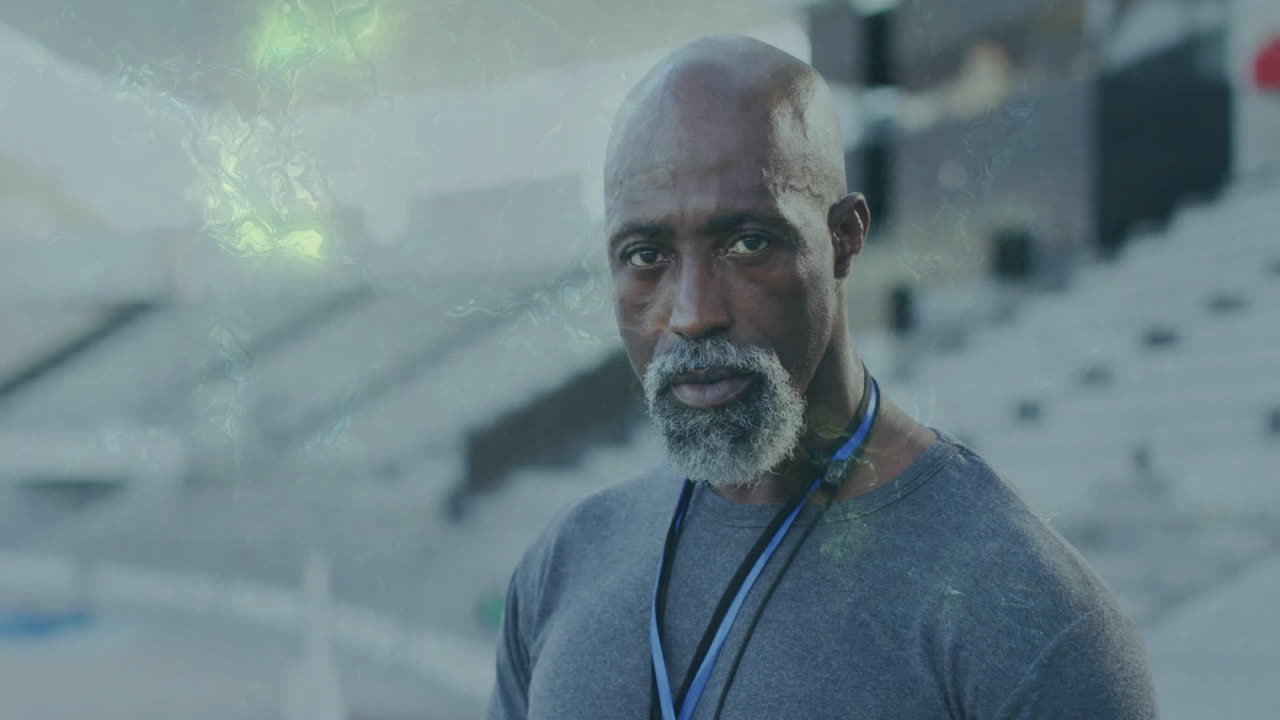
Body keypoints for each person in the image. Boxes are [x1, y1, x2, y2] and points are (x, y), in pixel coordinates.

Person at [486, 35, 1156, 719]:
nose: (691, 315)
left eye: (747, 243)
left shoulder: (1025, 620)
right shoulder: (565, 563)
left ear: (845, 238)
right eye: (646, 254)